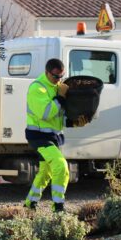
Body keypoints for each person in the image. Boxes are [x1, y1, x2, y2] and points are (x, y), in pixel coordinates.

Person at [24, 58, 87, 213]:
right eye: (56, 76)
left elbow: (59, 118)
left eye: (61, 76)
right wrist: (60, 97)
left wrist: (74, 123)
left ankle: (29, 204)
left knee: (45, 172)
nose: (59, 80)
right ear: (47, 72)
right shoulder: (38, 88)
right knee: (61, 166)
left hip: (53, 137)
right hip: (38, 137)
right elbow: (46, 113)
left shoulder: (58, 87)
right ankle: (58, 208)